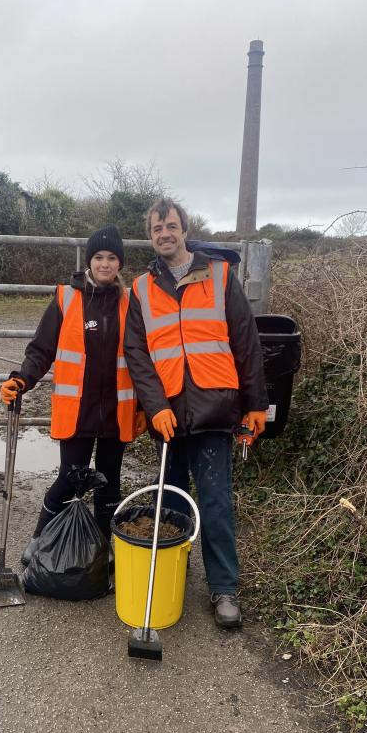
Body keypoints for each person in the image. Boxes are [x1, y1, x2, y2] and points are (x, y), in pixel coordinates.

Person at [123, 198, 269, 629]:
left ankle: (224, 588)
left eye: (170, 226)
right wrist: (156, 407)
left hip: (214, 408)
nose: (163, 234)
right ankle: (171, 573)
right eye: (155, 229)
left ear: (184, 229)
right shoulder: (142, 289)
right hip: (167, 414)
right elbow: (138, 355)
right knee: (168, 499)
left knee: (216, 500)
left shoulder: (221, 277)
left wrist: (256, 404)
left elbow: (246, 342)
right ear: (150, 236)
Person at [0, 225, 145, 567]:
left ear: (120, 263)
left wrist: (146, 407)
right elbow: (41, 350)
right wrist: (21, 379)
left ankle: (98, 550)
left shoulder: (131, 303)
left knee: (110, 483)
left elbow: (143, 357)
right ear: (89, 261)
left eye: (112, 258)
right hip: (76, 411)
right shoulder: (67, 298)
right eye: (98, 257)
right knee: (69, 478)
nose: (105, 264)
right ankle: (39, 541)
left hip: (116, 412)